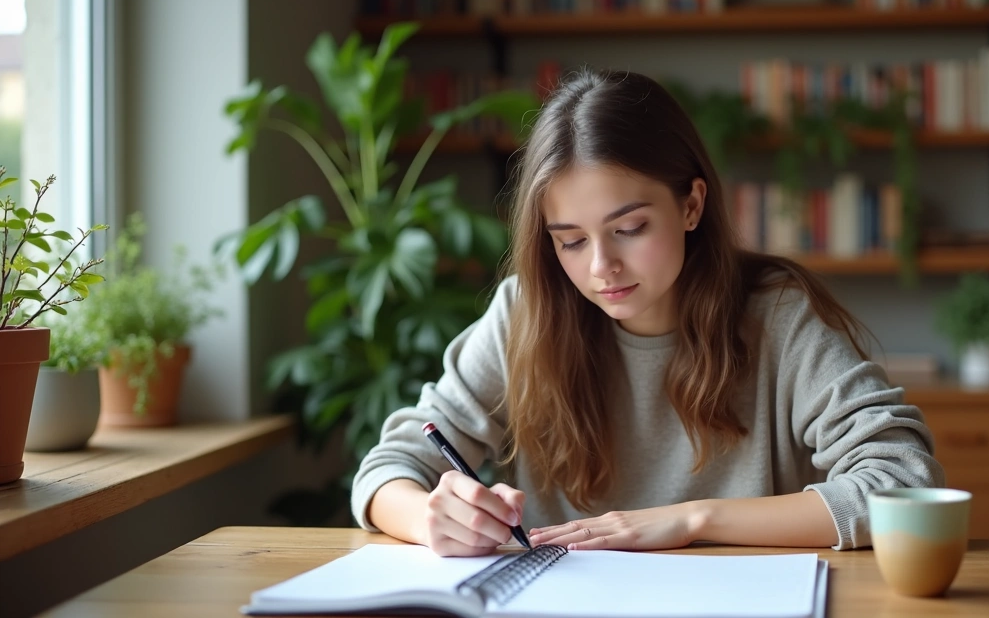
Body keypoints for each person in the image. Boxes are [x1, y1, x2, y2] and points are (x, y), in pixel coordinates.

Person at [353, 68, 944, 557]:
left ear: (691, 205)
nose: (601, 266)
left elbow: (902, 480)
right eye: (571, 241)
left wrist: (691, 520)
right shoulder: (525, 313)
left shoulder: (777, 317)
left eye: (629, 228)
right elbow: (389, 468)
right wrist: (432, 517)